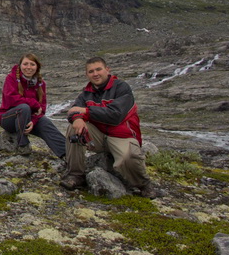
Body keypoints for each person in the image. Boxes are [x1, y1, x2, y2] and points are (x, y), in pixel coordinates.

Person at [60, 57, 161, 198]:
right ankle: (76, 175)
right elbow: (73, 111)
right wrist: (77, 118)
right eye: (91, 71)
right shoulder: (86, 93)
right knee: (74, 129)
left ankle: (143, 184)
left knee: (128, 158)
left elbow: (115, 115)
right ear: (87, 75)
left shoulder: (121, 88)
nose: (95, 74)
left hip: (121, 135)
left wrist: (85, 112)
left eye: (98, 69)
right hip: (99, 136)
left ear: (107, 70)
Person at [0, 53, 65, 157]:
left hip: (29, 119)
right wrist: (34, 103)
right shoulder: (11, 78)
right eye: (25, 64)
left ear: (37, 67)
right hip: (8, 118)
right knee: (24, 108)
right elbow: (11, 99)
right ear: (20, 66)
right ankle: (23, 145)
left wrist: (33, 121)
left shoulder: (41, 84)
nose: (28, 67)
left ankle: (68, 155)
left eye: (32, 64)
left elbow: (41, 108)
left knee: (46, 123)